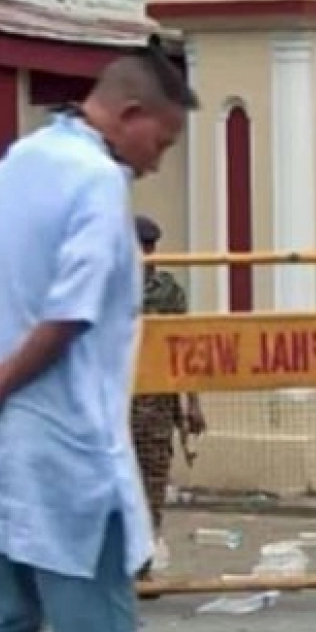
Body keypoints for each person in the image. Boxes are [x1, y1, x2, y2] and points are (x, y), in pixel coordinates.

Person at [0, 49, 195, 632]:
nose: (156, 160)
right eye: (160, 142)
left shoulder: (15, 165)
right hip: (71, 459)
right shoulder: (97, 181)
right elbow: (73, 310)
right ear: (129, 114)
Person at [130, 215, 205, 582]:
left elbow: (185, 347)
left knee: (152, 485)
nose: (145, 254)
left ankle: (142, 564)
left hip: (156, 406)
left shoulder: (168, 292)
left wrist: (193, 403)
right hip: (112, 406)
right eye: (139, 246)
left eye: (149, 247)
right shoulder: (105, 287)